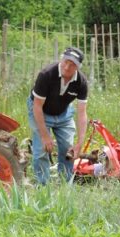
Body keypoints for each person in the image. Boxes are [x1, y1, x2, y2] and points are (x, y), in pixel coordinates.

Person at [27, 47, 88, 185]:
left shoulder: (81, 82)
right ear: (62, 59)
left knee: (68, 149)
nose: (67, 67)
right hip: (40, 110)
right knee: (41, 150)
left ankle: (65, 186)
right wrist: (45, 136)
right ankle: (42, 188)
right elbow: (37, 107)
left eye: (72, 65)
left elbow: (82, 113)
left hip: (63, 113)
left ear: (78, 67)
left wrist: (80, 143)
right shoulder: (46, 74)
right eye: (66, 61)